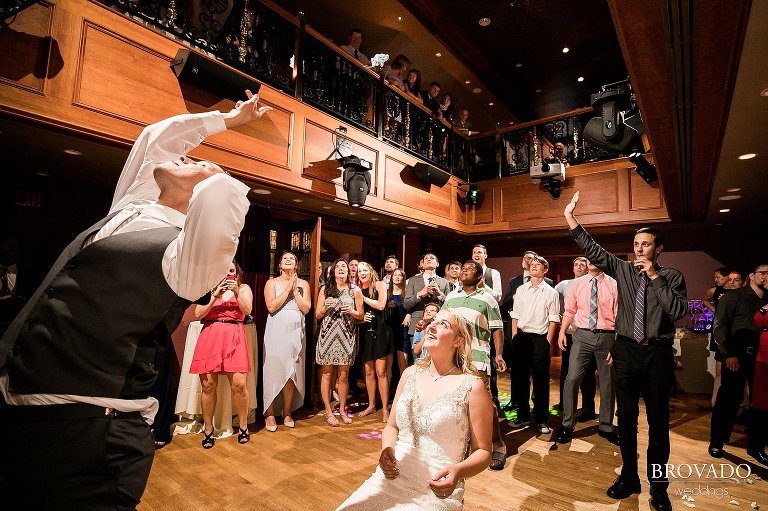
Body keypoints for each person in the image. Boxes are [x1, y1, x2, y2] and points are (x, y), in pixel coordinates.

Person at [0, 90, 268, 508]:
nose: (185, 158)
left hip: (90, 436)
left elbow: (223, 205)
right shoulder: (132, 205)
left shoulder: (186, 259)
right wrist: (229, 120)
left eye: (196, 165)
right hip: (20, 411)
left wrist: (214, 174)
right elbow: (155, 140)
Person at [564, 191, 688, 511]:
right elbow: (591, 247)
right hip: (625, 352)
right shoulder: (621, 270)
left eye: (645, 245)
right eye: (636, 245)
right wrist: (570, 217)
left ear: (658, 249)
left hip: (657, 355)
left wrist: (654, 276)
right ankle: (630, 477)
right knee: (627, 419)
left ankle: (658, 487)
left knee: (659, 423)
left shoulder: (671, 276)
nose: (639, 249)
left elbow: (675, 311)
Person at [335, 309, 493, 511]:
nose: (432, 325)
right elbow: (392, 426)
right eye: (433, 321)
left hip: (435, 488)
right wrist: (387, 449)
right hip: (389, 478)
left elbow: (484, 452)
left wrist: (458, 471)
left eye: (444, 324)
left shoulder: (472, 386)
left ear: (458, 342)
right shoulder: (409, 374)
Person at [443, 261, 507, 470]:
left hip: (477, 357)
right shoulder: (451, 297)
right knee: (456, 403)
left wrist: (498, 355)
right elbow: (442, 321)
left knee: (485, 404)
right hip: (454, 357)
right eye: (463, 268)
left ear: (480, 277)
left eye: (470, 269)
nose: (464, 271)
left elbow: (497, 329)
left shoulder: (487, 299)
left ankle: (497, 443)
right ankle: (465, 445)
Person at [554, 259, 620, 446]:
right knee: (572, 378)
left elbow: (619, 314)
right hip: (581, 335)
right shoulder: (577, 284)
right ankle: (567, 424)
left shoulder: (613, 284)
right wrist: (561, 332)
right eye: (589, 258)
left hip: (607, 336)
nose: (592, 261)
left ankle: (606, 426)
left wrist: (617, 344)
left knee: (608, 383)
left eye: (596, 257)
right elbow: (569, 310)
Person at [709, 264, 768, 466]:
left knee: (760, 404)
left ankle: (756, 446)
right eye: (762, 272)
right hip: (737, 356)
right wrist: (728, 354)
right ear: (751, 275)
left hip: (762, 360)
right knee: (729, 399)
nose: (765, 276)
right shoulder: (734, 296)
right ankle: (717, 442)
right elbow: (720, 326)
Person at [191, 261, 254, 448]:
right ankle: (208, 429)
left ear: (237, 272)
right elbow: (197, 313)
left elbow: (247, 310)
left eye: (232, 270)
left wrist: (236, 292)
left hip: (234, 334)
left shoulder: (243, 288)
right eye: (224, 270)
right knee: (208, 385)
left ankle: (243, 426)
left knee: (239, 385)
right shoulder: (208, 288)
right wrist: (213, 296)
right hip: (211, 335)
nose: (228, 273)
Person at [508, 255, 560, 434]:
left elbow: (554, 319)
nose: (534, 267)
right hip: (522, 337)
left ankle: (541, 419)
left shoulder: (551, 292)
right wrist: (515, 336)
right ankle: (522, 416)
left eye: (538, 265)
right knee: (521, 380)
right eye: (532, 264)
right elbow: (515, 314)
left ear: (545, 270)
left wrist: (547, 341)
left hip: (540, 339)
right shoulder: (521, 289)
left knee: (541, 381)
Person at [262, 251, 311, 432]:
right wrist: (288, 287)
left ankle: (288, 411)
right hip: (276, 328)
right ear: (280, 265)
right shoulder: (271, 283)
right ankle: (270, 413)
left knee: (291, 372)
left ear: (296, 264)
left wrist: (296, 292)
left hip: (296, 330)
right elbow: (271, 306)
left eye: (292, 259)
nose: (288, 260)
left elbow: (306, 308)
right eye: (285, 259)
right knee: (273, 370)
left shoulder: (304, 284)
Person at [316, 258, 364, 426]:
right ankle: (329, 411)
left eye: (344, 266)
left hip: (346, 335)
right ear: (333, 271)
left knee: (344, 375)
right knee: (327, 373)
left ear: (349, 271)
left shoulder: (355, 291)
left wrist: (351, 310)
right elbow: (317, 314)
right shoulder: (325, 289)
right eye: (338, 266)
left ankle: (342, 410)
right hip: (328, 334)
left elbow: (361, 315)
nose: (341, 269)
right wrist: (324, 308)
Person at [554, 256, 596, 415]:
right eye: (576, 264)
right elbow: (551, 297)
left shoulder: (592, 283)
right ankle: (564, 403)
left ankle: (588, 408)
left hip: (586, 332)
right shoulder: (564, 285)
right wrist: (558, 318)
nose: (578, 267)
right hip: (570, 333)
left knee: (587, 371)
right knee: (566, 369)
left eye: (582, 265)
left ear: (587, 268)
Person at [357, 262, 394, 422]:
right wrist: (360, 319)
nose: (362, 273)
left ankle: (385, 408)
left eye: (365, 270)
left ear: (371, 271)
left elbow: (380, 305)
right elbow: (356, 314)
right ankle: (371, 405)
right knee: (369, 372)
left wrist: (361, 296)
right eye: (359, 271)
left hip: (381, 330)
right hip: (365, 331)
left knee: (381, 372)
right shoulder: (355, 289)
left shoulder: (379, 285)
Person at [403, 252, 452, 343]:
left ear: (437, 264)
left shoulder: (444, 282)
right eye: (426, 259)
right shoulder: (413, 280)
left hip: (438, 324)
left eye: (432, 258)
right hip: (418, 324)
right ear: (422, 264)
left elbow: (449, 306)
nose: (429, 259)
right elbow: (406, 304)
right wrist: (420, 294)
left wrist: (439, 294)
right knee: (417, 356)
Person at [703, 266, 731, 408]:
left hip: (731, 332)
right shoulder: (714, 290)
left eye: (718, 277)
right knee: (719, 369)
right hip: (719, 329)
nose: (715, 280)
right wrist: (716, 311)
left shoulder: (738, 292)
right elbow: (705, 300)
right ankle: (714, 402)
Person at [387, 268, 411, 374]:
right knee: (388, 363)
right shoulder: (387, 293)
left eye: (400, 275)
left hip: (403, 328)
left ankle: (403, 388)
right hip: (389, 328)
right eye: (395, 275)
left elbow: (412, 307)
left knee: (402, 362)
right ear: (391, 278)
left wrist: (409, 314)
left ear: (403, 278)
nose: (397, 277)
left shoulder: (407, 292)